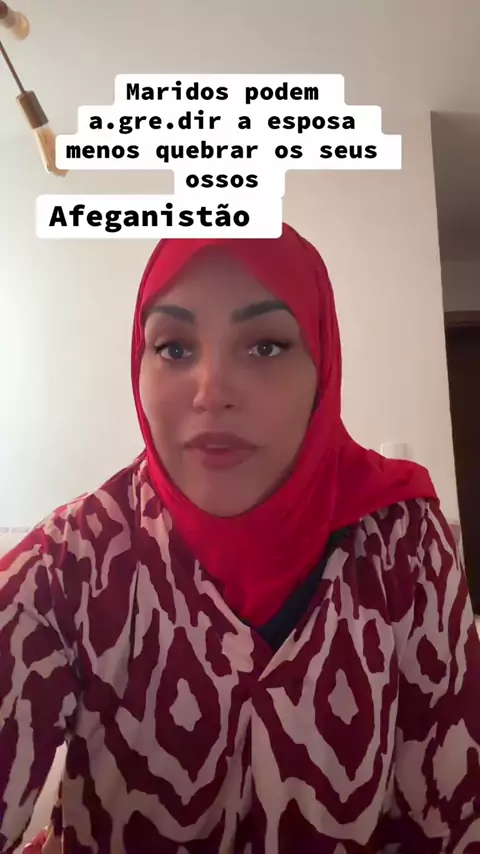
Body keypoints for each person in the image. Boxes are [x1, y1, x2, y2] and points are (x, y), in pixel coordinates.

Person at [1, 223, 480, 854]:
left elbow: (454, 819)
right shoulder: (69, 564)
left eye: (265, 346)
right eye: (174, 348)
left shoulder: (403, 542)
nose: (211, 393)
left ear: (323, 368)